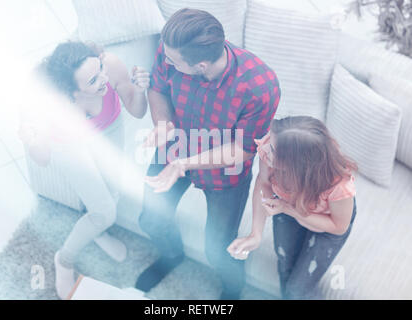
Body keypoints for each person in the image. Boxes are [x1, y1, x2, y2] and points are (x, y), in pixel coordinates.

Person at [136, 8, 280, 300]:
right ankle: (172, 255)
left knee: (218, 249)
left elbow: (242, 149)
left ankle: (231, 291)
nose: (164, 60)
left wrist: (184, 164)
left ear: (200, 65)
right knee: (150, 219)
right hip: (175, 149)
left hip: (224, 171)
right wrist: (163, 124)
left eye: (173, 61)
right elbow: (157, 88)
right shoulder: (171, 51)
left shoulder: (260, 87)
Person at [18, 41, 149, 299]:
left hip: (108, 126)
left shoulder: (110, 65)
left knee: (113, 190)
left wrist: (140, 90)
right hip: (68, 142)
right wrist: (32, 140)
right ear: (72, 92)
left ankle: (98, 233)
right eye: (92, 80)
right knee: (104, 212)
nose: (104, 78)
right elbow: (43, 159)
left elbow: (137, 110)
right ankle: (64, 260)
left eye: (100, 67)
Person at [227, 116, 358, 300]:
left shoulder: (339, 185)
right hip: (288, 205)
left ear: (296, 164)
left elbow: (338, 226)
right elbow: (263, 183)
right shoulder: (272, 145)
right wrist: (255, 234)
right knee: (284, 266)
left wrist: (288, 209)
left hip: (327, 224)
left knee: (297, 289)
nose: (265, 150)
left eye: (272, 150)